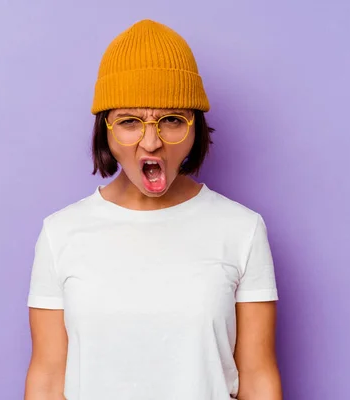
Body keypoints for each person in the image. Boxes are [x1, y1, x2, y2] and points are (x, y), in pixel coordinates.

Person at [24, 19, 282, 400]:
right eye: (129, 122)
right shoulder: (60, 233)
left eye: (172, 121)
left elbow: (258, 376)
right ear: (105, 130)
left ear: (195, 129)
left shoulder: (241, 230)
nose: (151, 142)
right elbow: (47, 378)